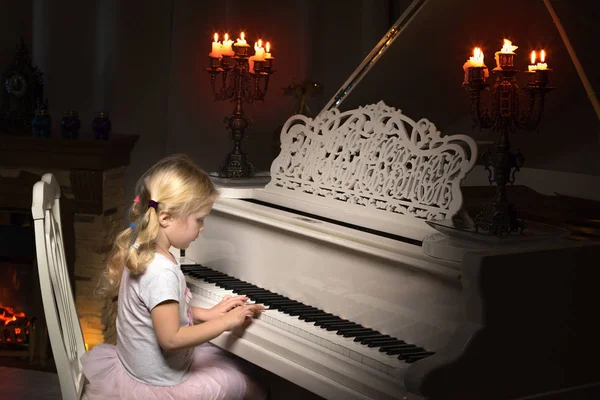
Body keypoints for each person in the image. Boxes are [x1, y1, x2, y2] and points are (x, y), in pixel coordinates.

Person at [82, 154, 268, 400]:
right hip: (161, 387)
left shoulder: (142, 249)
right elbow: (170, 338)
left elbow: (161, 313)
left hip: (137, 370)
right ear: (166, 218)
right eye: (199, 220)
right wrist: (225, 322)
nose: (202, 228)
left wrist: (208, 314)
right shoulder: (162, 271)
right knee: (251, 387)